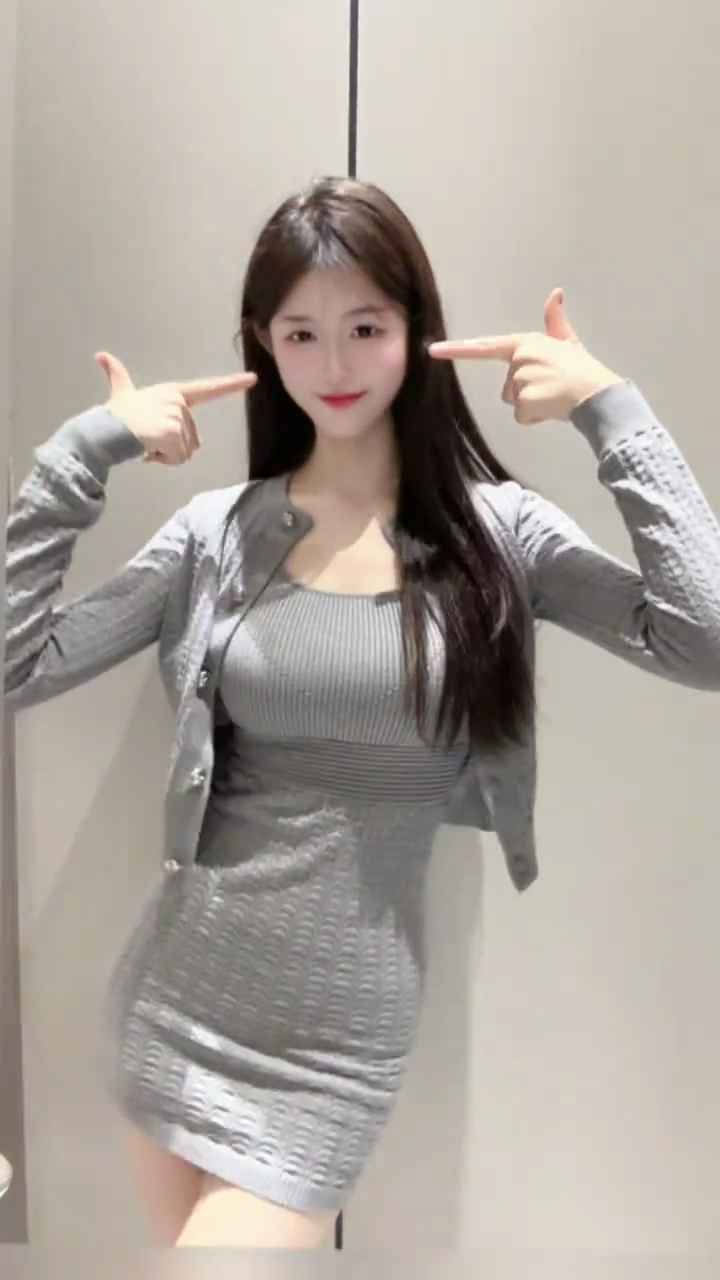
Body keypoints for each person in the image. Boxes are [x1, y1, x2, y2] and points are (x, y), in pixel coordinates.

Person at [5, 176, 720, 1248]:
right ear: (263, 344)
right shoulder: (215, 534)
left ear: (416, 332)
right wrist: (77, 458)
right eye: (301, 332)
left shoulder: (500, 538)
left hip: (334, 1044)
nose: (334, 365)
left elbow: (705, 638)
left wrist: (612, 409)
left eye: (366, 328)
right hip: (178, 996)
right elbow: (18, 665)